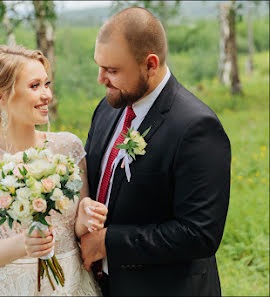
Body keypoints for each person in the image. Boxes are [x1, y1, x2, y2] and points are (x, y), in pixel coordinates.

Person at [80, 7, 231, 296]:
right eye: (99, 66)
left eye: (112, 70)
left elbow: (199, 234)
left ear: (150, 64)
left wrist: (108, 241)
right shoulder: (107, 109)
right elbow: (95, 181)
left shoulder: (197, 127)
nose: (101, 79)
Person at [0, 45, 106, 296]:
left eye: (47, 84)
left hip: (72, 285)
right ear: (0, 96)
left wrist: (85, 219)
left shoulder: (69, 147)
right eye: (35, 86)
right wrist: (23, 244)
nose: (47, 95)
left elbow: (73, 229)